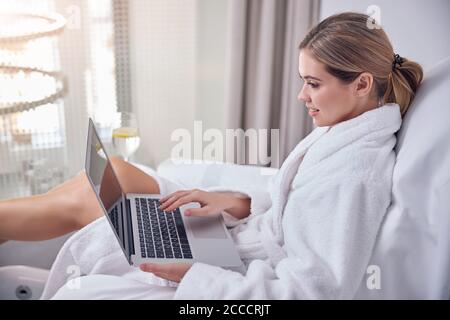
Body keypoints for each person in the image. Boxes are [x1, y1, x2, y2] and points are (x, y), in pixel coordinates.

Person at [0, 12, 423, 299]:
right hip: (238, 240)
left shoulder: (356, 173)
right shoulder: (345, 132)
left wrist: (197, 277)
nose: (302, 96)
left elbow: (312, 291)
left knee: (99, 213)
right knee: (117, 176)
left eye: (313, 84)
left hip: (231, 278)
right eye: (302, 81)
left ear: (362, 83)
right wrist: (235, 202)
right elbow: (291, 204)